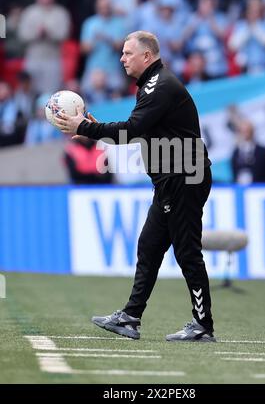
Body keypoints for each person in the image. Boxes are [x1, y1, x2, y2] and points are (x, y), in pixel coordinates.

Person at [54, 31, 215, 342]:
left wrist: (85, 128)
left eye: (128, 53)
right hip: (173, 180)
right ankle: (130, 317)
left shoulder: (160, 85)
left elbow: (131, 130)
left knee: (187, 252)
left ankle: (203, 324)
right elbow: (139, 132)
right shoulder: (153, 86)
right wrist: (95, 127)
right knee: (150, 246)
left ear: (147, 55)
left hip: (184, 178)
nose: (122, 58)